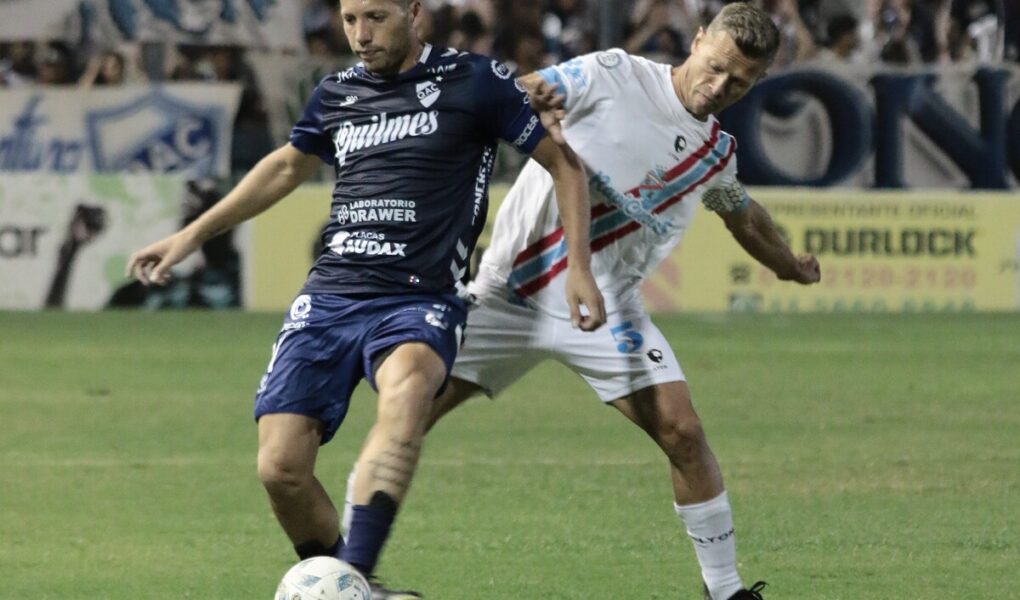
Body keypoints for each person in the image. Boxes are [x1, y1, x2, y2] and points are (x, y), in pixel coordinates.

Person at [125, 0, 605, 598]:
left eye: (375, 17)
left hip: (419, 296)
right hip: (330, 295)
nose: (360, 34)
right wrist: (190, 234)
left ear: (413, 11)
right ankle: (358, 586)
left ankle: (351, 578)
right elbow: (284, 167)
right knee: (280, 470)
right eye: (350, 19)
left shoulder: (477, 81)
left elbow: (565, 166)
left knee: (406, 396)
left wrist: (579, 268)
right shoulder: (336, 92)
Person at [343, 3, 821, 599]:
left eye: (739, 83)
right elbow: (522, 92)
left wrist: (792, 267)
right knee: (406, 415)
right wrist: (532, 99)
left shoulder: (714, 154)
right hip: (504, 296)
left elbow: (746, 219)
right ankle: (348, 576)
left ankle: (725, 592)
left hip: (605, 312)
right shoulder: (613, 73)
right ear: (697, 41)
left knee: (683, 432)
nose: (719, 87)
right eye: (717, 67)